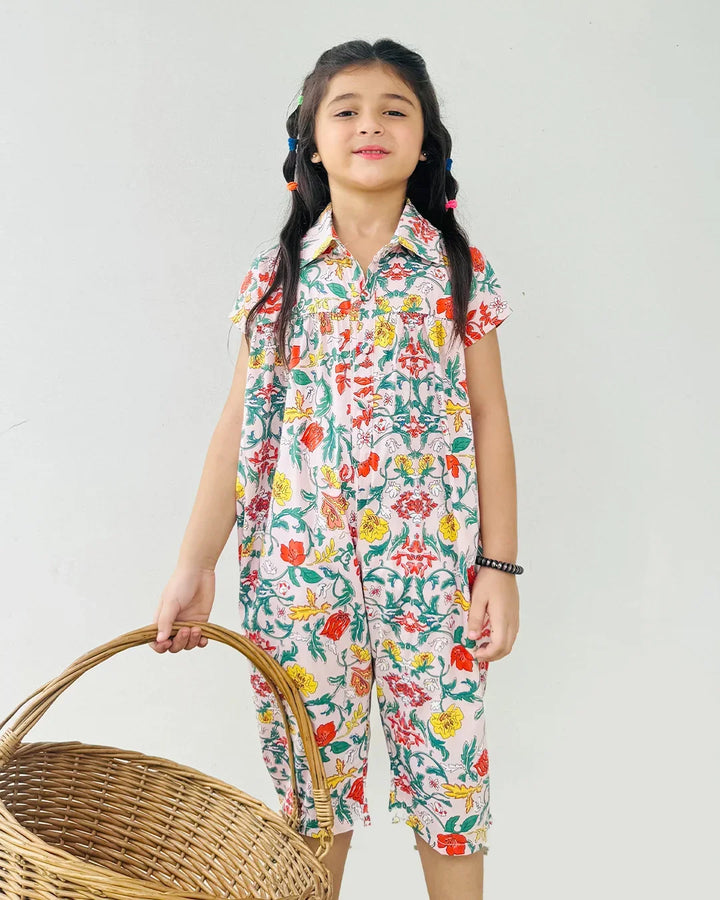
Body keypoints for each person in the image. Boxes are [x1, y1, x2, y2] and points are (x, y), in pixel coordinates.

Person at [152, 38, 521, 900]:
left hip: (432, 579)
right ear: (310, 144)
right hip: (297, 581)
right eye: (345, 109)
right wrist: (194, 564)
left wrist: (498, 566)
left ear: (426, 143)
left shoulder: (457, 275)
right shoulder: (275, 281)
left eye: (395, 109)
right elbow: (235, 432)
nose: (369, 124)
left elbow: (492, 420)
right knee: (311, 799)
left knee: (450, 782)